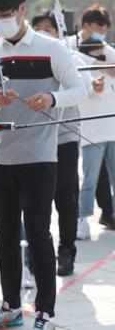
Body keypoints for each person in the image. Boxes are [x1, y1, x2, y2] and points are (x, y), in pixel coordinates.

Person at [0, 0, 86, 330]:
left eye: (5, 15)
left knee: (39, 235)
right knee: (5, 236)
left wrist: (52, 99)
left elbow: (78, 89)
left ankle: (45, 312)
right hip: (2, 158)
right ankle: (9, 306)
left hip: (40, 157)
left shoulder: (51, 48)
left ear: (22, 10)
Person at [31, 11, 90, 276]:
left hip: (64, 138)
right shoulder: (29, 58)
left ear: (58, 32)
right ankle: (35, 255)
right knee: (36, 201)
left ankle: (66, 251)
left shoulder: (68, 55)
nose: (43, 33)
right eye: (38, 29)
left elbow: (83, 87)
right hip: (35, 139)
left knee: (66, 199)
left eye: (48, 29)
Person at [75, 35, 115, 240]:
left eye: (103, 51)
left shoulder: (111, 68)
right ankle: (82, 220)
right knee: (90, 180)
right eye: (95, 51)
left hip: (113, 133)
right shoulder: (82, 70)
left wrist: (104, 53)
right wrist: (94, 86)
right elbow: (88, 91)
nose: (101, 54)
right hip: (92, 134)